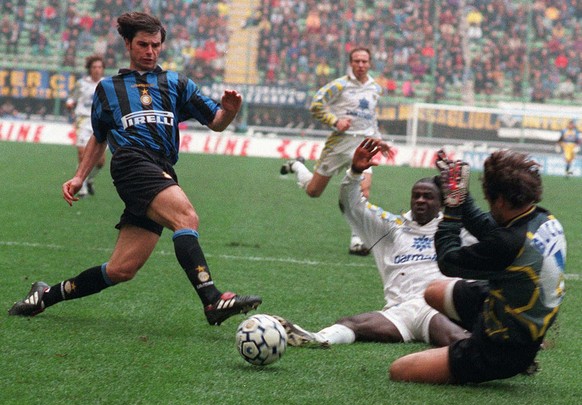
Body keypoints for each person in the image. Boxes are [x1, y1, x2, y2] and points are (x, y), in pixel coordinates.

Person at [8, 12, 262, 326]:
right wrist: (78, 176)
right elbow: (99, 138)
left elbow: (216, 122)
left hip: (161, 168)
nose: (150, 51)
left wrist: (231, 112)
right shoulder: (108, 88)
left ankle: (45, 295)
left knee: (121, 269)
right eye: (143, 44)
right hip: (131, 163)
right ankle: (212, 300)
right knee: (186, 217)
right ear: (128, 44)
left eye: (156, 45)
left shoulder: (177, 83)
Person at [389, 149, 566, 384]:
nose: (489, 206)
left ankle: (476, 349)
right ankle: (468, 337)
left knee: (400, 370)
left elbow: (448, 261)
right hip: (513, 308)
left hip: (504, 349)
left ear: (500, 200)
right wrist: (458, 193)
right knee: (433, 292)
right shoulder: (540, 218)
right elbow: (487, 227)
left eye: (490, 200)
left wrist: (452, 209)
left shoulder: (508, 244)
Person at [275, 138, 471, 349]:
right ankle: (317, 339)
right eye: (416, 196)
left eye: (428, 197)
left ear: (441, 202)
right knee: (350, 323)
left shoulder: (454, 230)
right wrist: (354, 173)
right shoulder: (392, 227)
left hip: (436, 308)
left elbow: (495, 237)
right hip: (399, 312)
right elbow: (353, 206)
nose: (420, 201)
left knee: (456, 340)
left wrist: (462, 197)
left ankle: (484, 349)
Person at [280, 47, 383, 256]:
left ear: (370, 63)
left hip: (363, 144)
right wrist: (335, 121)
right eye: (357, 61)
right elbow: (316, 105)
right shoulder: (339, 85)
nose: (361, 65)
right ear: (351, 63)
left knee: (362, 191)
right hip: (339, 144)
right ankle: (297, 165)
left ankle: (357, 240)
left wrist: (379, 140)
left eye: (364, 61)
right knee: (314, 191)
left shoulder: (376, 89)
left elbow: (372, 117)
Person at [65, 55, 107, 197]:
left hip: (100, 123)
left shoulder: (107, 84)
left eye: (99, 67)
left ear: (103, 69)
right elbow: (72, 98)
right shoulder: (81, 84)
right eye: (94, 67)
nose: (97, 70)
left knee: (100, 162)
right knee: (82, 154)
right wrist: (70, 103)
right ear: (89, 69)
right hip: (83, 120)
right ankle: (81, 186)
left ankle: (89, 179)